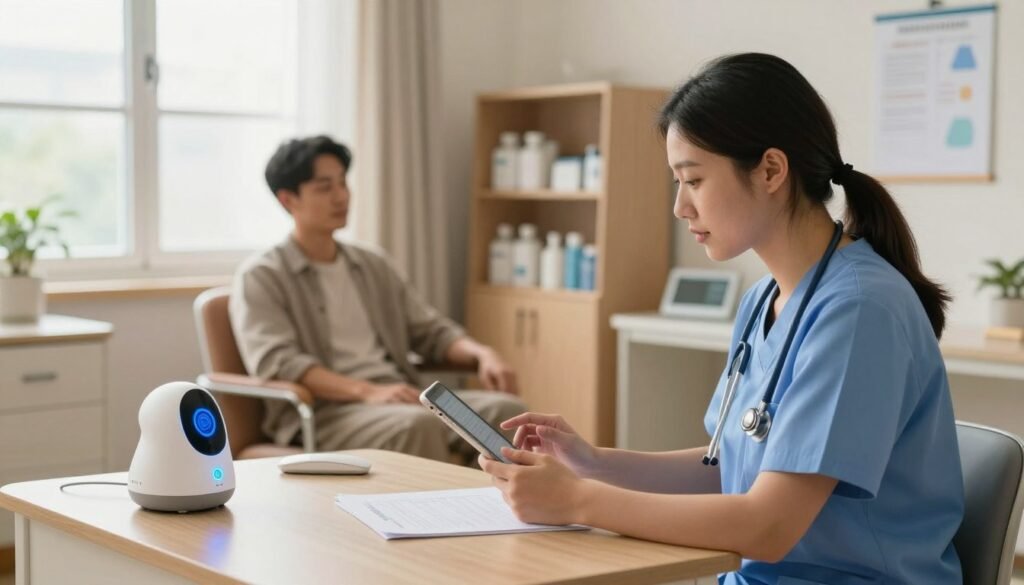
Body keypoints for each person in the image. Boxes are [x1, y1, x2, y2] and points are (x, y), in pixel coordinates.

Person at [480, 53, 964, 584]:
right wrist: (593, 463)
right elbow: (728, 472)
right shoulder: (764, 299)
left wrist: (579, 501)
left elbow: (768, 526)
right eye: (676, 184)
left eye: (694, 181)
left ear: (771, 170)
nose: (680, 208)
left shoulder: (859, 310)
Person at [230, 135, 526, 463]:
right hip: (327, 413)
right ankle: (434, 514)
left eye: (343, 183)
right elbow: (280, 363)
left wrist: (483, 354)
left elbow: (430, 331)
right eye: (324, 187)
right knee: (419, 424)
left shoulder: (371, 265)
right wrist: (368, 391)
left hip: (399, 398)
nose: (341, 196)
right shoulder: (262, 276)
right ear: (288, 200)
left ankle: (499, 511)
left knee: (508, 413)